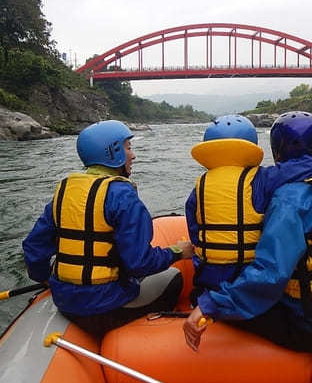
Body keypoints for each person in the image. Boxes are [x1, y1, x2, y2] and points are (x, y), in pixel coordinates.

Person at [184, 111, 312, 352]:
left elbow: (271, 273)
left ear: (277, 150)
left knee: (201, 297)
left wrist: (211, 304)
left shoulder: (289, 198)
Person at [22, 120, 193, 339]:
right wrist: (178, 251)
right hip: (107, 310)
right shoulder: (124, 197)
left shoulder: (64, 193)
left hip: (65, 302)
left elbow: (33, 249)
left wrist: (46, 279)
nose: (133, 155)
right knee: (174, 278)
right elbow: (140, 264)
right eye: (128, 148)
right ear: (113, 153)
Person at [185, 114, 312, 305]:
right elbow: (296, 168)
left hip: (208, 282)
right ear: (251, 147)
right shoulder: (261, 179)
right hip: (246, 284)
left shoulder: (199, 188)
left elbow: (196, 235)